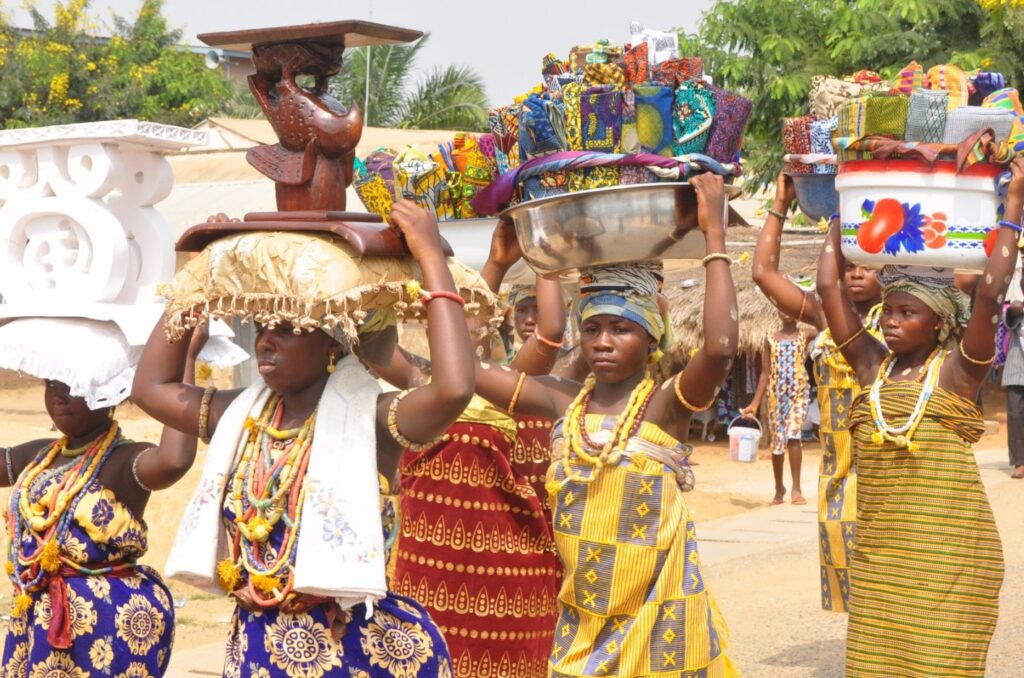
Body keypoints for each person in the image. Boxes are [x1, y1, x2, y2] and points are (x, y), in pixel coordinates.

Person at [131, 200, 473, 677]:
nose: (265, 341)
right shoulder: (243, 416)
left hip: (350, 651)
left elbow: (454, 389)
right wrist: (203, 277)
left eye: (289, 328)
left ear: (333, 342)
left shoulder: (372, 419)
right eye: (263, 327)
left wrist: (431, 256)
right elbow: (151, 389)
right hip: (255, 647)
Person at [473, 173, 740, 676]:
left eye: (622, 328)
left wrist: (715, 239)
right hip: (580, 632)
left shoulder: (665, 407)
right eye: (592, 327)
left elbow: (721, 349)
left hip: (658, 630)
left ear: (651, 337)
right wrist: (494, 267)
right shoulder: (561, 402)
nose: (602, 341)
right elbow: (461, 370)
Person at [815, 158, 1024, 676]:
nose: (890, 322)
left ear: (939, 324)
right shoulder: (870, 368)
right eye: (889, 311)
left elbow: (990, 296)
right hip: (883, 561)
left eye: (908, 314)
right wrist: (838, 213)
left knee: (938, 664)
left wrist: (1014, 207)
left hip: (946, 560)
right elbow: (828, 291)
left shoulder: (957, 374)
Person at [355, 220, 567, 677]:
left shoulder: (509, 383)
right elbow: (368, 343)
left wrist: (539, 236)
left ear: (490, 324)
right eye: (442, 317)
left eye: (470, 317)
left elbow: (550, 331)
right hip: (426, 568)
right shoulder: (421, 381)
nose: (453, 323)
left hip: (506, 569)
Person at [1, 320, 206, 678]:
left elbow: (174, 461)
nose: (58, 395)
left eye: (73, 385)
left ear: (110, 392)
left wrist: (185, 359)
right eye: (51, 383)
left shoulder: (124, 462)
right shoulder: (38, 456)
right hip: (37, 617)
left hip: (109, 625)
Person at [748, 172, 882, 611]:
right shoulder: (827, 316)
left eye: (868, 264)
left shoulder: (905, 322)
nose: (856, 272)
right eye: (849, 265)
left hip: (887, 469)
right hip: (839, 477)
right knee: (857, 602)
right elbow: (763, 273)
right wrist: (781, 204)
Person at [742, 309, 816, 505]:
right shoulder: (770, 339)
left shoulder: (806, 334)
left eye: (789, 307)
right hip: (776, 397)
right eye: (781, 308)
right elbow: (765, 374)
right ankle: (779, 487)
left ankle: (796, 489)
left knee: (793, 435)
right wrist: (755, 403)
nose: (786, 312)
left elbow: (826, 325)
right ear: (776, 312)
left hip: (799, 394)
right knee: (777, 445)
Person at [1002, 275, 1024, 478]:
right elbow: (1008, 322)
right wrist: (1013, 310)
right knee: (1016, 418)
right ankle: (1019, 462)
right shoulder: (1018, 310)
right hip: (1017, 373)